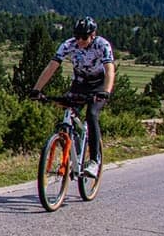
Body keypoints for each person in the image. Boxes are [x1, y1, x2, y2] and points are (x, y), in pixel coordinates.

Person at [29, 16, 115, 177]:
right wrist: (37, 89)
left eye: (84, 37)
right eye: (77, 36)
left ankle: (94, 161)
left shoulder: (102, 45)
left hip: (98, 85)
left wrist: (106, 92)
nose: (80, 40)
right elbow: (51, 67)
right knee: (68, 114)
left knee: (91, 114)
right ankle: (73, 156)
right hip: (79, 84)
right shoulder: (69, 45)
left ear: (93, 35)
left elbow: (110, 69)